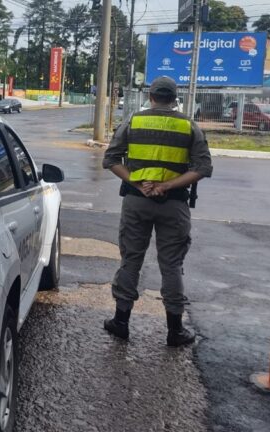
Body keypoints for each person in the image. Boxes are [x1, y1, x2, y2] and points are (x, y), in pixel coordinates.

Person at [102, 76, 213, 347]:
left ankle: (121, 322)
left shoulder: (134, 121)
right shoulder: (189, 126)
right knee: (172, 265)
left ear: (151, 96)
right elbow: (203, 168)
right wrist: (166, 186)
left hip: (136, 201)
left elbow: (111, 159)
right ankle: (175, 331)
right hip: (174, 204)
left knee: (131, 260)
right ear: (175, 99)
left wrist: (138, 184)